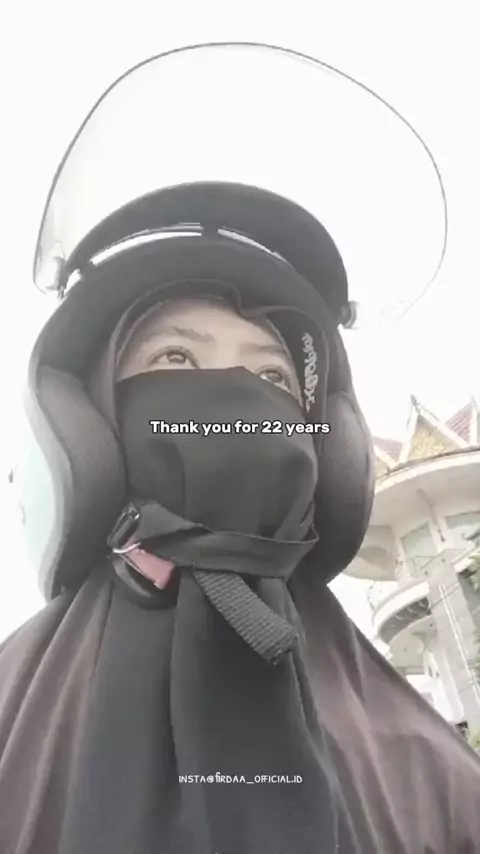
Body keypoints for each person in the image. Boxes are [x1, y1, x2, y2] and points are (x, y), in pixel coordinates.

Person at [1, 46, 480, 854]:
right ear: (87, 419)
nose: (234, 395)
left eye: (270, 376)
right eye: (176, 358)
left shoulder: (429, 761)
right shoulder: (13, 708)